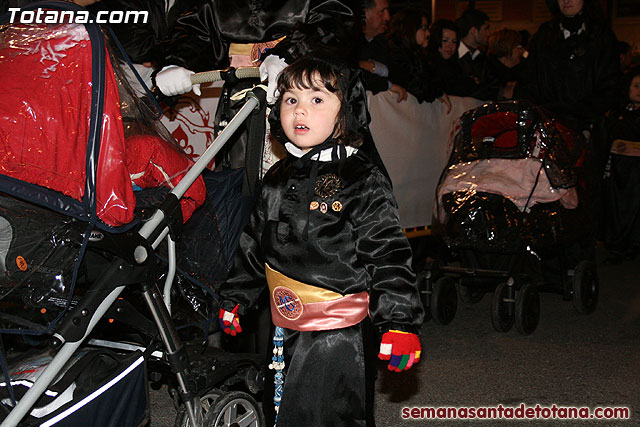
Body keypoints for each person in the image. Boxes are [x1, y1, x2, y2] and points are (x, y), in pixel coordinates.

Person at [217, 56, 424, 426]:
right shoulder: (277, 177)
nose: (300, 110)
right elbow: (254, 245)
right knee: (281, 408)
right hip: (283, 325)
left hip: (338, 337)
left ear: (344, 112)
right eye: (290, 99)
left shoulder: (361, 177)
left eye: (316, 100)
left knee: (330, 413)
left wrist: (400, 322)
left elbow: (388, 252)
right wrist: (236, 297)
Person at [516, 0, 620, 132]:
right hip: (547, 124)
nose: (566, 1)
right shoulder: (545, 34)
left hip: (587, 126)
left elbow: (610, 84)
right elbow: (529, 78)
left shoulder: (601, 35)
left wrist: (583, 112)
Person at [599, 68, 640, 262]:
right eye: (636, 86)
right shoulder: (617, 112)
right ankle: (617, 242)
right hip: (618, 169)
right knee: (616, 206)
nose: (639, 90)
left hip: (636, 171)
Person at [357, 0, 408, 102]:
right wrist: (386, 85)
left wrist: (374, 66)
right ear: (365, 13)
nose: (387, 17)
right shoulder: (345, 42)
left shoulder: (382, 43)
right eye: (382, 11)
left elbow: (401, 74)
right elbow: (351, 73)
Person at [426, 19, 479, 98]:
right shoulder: (427, 64)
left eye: (454, 42)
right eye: (445, 40)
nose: (450, 46)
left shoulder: (456, 65)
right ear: (435, 40)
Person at [483, 28, 525, 100]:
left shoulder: (523, 72)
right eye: (518, 47)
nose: (522, 51)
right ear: (507, 49)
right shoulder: (488, 77)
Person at [455, 8, 491, 85]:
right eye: (486, 29)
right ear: (474, 31)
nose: (489, 34)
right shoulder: (452, 56)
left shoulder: (482, 58)